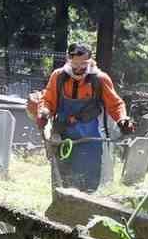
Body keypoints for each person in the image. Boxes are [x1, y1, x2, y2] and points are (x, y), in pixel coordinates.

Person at [35, 42, 135, 192]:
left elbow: (115, 104)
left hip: (88, 138)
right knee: (61, 179)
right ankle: (60, 207)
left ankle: (85, 208)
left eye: (83, 63)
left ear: (90, 60)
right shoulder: (58, 77)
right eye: (75, 63)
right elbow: (48, 100)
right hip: (62, 136)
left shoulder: (99, 79)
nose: (79, 68)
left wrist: (122, 120)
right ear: (68, 60)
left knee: (87, 181)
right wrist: (43, 112)